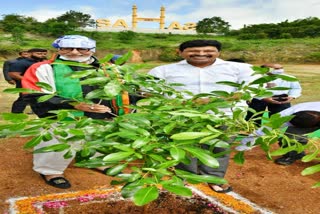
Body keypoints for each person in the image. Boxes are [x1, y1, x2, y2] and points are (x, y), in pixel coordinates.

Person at [148, 39, 256, 193]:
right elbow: (149, 91)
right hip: (181, 117)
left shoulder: (239, 68)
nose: (201, 54)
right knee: (184, 148)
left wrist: (209, 101)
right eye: (194, 51)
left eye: (208, 51)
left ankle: (213, 178)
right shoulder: (163, 70)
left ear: (218, 52)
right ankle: (186, 177)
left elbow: (250, 90)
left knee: (219, 148)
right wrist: (179, 104)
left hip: (225, 116)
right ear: (179, 52)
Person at [21, 35, 119, 189]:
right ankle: (51, 171)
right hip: (62, 115)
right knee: (58, 141)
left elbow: (121, 91)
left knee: (98, 138)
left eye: (81, 48)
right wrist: (73, 105)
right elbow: (34, 94)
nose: (74, 52)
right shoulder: (43, 67)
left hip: (100, 114)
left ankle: (96, 162)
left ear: (91, 50)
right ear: (58, 49)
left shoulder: (108, 69)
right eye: (67, 48)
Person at [239, 101, 320, 165]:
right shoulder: (282, 117)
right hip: (302, 119)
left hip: (315, 119)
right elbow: (261, 131)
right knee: (291, 137)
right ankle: (294, 154)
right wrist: (244, 144)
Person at [8, 48, 48, 113]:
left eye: (44, 54)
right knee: (24, 99)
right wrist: (29, 80)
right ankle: (16, 114)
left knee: (38, 99)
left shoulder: (40, 62)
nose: (42, 55)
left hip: (39, 85)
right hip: (25, 85)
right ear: (30, 53)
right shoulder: (22, 62)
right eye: (38, 54)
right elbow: (13, 74)